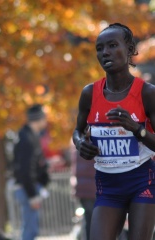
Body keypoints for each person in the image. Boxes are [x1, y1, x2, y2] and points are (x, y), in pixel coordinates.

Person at [72, 22, 155, 240]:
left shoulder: (147, 93)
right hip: (107, 187)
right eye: (100, 48)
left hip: (141, 182)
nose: (105, 52)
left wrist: (137, 129)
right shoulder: (89, 93)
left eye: (112, 45)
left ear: (129, 50)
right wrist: (81, 144)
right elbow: (77, 132)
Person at [13, 104, 50, 240]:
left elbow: (31, 165)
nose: (46, 120)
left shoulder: (29, 135)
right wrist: (32, 195)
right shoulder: (26, 138)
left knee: (31, 229)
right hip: (28, 189)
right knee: (30, 231)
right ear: (39, 118)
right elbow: (25, 170)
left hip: (29, 188)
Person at [70, 140, 96, 240]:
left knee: (88, 219)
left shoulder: (77, 141)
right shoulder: (97, 140)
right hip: (94, 188)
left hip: (81, 187)